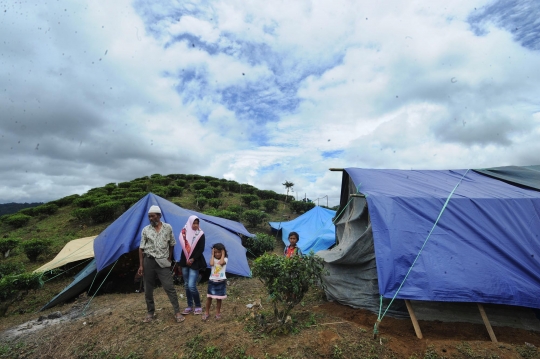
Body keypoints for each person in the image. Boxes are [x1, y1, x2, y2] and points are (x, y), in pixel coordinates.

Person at [138, 205, 184, 323]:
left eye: (153, 216)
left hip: (163, 261)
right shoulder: (146, 230)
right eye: (149, 217)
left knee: (169, 287)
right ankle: (150, 312)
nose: (150, 218)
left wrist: (169, 257)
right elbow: (141, 248)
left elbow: (172, 243)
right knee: (148, 289)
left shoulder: (168, 228)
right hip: (149, 261)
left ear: (159, 216)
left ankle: (177, 311)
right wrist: (141, 265)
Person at [179, 215, 207, 315]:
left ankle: (198, 305)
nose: (195, 225)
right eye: (194, 223)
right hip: (184, 261)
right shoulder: (184, 233)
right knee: (186, 285)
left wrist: (192, 258)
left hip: (195, 262)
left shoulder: (200, 234)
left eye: (197, 223)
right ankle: (189, 306)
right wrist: (186, 258)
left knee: (191, 285)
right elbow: (183, 247)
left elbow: (201, 249)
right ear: (190, 223)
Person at [203, 243, 228, 321]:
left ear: (222, 252)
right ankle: (206, 312)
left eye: (219, 252)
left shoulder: (225, 259)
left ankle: (218, 313)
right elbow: (211, 264)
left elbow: (221, 263)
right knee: (209, 298)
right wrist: (212, 255)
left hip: (221, 282)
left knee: (219, 299)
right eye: (215, 252)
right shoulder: (213, 259)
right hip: (212, 281)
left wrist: (223, 253)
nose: (217, 254)